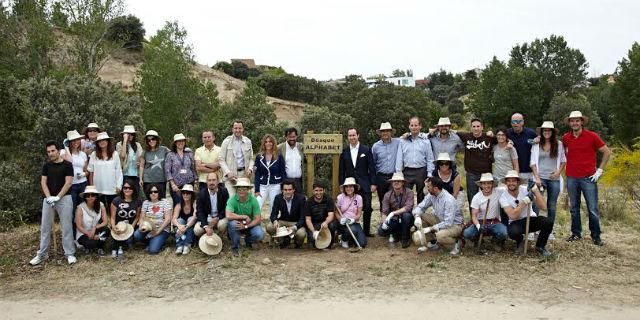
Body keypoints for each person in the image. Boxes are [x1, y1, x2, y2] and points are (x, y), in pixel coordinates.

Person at [562, 111, 611, 246]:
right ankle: (576, 233)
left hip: (588, 178)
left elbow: (607, 152)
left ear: (582, 122)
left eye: (577, 121)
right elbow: (561, 152)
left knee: (593, 208)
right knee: (574, 208)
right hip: (572, 177)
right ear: (569, 123)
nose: (575, 123)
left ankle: (596, 236)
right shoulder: (566, 138)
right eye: (572, 121)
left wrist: (599, 170)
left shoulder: (592, 136)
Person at [29, 141, 76, 266]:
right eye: (48, 151)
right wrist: (49, 197)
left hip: (65, 199)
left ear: (58, 150)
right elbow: (43, 182)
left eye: (53, 151)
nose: (50, 153)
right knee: (45, 228)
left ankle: (69, 254)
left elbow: (69, 183)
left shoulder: (67, 165)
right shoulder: (46, 166)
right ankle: (42, 255)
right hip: (48, 200)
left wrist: (58, 197)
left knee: (66, 227)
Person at [500, 170, 553, 256]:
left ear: (518, 182)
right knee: (512, 232)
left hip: (530, 218)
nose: (511, 183)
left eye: (513, 181)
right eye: (509, 181)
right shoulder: (503, 197)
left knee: (548, 222)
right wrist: (524, 202)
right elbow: (513, 216)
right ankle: (519, 241)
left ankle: (540, 246)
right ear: (506, 183)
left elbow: (543, 207)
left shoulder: (526, 190)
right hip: (515, 222)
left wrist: (535, 191)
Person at [412, 176, 464, 255]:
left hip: (455, 225)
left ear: (435, 189)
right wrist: (417, 216)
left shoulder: (448, 200)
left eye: (428, 187)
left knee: (439, 236)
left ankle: (457, 242)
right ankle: (433, 242)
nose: (427, 189)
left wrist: (431, 228)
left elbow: (448, 223)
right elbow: (421, 206)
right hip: (441, 220)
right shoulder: (431, 195)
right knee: (421, 215)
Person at [339, 127, 376, 237]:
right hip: (350, 185)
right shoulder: (344, 152)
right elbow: (342, 170)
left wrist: (373, 183)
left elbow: (372, 168)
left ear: (358, 135)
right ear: (348, 137)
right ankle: (352, 231)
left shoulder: (366, 150)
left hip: (365, 184)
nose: (352, 137)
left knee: (368, 207)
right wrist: (341, 184)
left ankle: (366, 231)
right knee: (351, 208)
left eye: (354, 135)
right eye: (350, 135)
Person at [530, 121, 566, 231]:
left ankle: (549, 229)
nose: (546, 132)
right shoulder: (536, 144)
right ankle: (533, 229)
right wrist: (536, 177)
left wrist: (558, 172)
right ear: (542, 132)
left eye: (549, 130)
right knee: (536, 203)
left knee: (551, 205)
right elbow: (532, 162)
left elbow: (563, 160)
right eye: (544, 130)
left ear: (552, 132)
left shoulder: (558, 144)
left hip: (553, 179)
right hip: (540, 178)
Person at [457, 118, 499, 209]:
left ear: (482, 127)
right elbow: (452, 131)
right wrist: (435, 130)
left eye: (478, 126)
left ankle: (490, 218)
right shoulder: (466, 136)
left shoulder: (489, 138)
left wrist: (493, 133)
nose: (476, 128)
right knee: (472, 197)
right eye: (474, 126)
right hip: (471, 173)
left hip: (486, 174)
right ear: (471, 128)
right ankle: (474, 220)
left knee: (489, 197)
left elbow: (503, 138)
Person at [395, 116, 435, 204]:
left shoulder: (425, 141)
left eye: (416, 125)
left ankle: (419, 215)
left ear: (420, 126)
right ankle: (407, 215)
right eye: (412, 125)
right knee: (406, 194)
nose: (414, 127)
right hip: (407, 171)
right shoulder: (403, 141)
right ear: (409, 126)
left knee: (421, 194)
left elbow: (430, 158)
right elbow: (399, 157)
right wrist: (398, 172)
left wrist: (429, 173)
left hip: (421, 170)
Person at [462, 173, 508, 248]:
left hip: (494, 222)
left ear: (492, 184)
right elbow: (474, 216)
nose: (486, 186)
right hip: (480, 222)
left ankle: (495, 241)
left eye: (489, 183)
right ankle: (478, 240)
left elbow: (510, 187)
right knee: (467, 233)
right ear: (481, 185)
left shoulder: (499, 192)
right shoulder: (476, 197)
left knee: (504, 232)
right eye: (484, 184)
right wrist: (478, 226)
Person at [225, 177, 264, 255]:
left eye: (244, 189)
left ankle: (248, 240)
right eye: (239, 189)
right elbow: (228, 215)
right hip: (238, 224)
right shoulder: (232, 199)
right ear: (236, 190)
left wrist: (246, 226)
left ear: (248, 190)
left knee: (259, 234)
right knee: (232, 223)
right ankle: (235, 247)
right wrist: (244, 216)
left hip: (249, 225)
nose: (241, 191)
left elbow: (258, 219)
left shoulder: (253, 200)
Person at [377, 172, 414, 248]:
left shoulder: (409, 192)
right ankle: (396, 234)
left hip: (407, 219)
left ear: (403, 183)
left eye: (399, 181)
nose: (396, 182)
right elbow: (384, 211)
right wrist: (384, 221)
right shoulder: (387, 195)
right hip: (394, 220)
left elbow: (408, 207)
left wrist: (394, 213)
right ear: (391, 183)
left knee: (406, 215)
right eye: (394, 181)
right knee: (381, 231)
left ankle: (405, 238)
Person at [134, 183, 172, 254]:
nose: (153, 193)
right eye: (151, 192)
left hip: (161, 230)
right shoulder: (146, 202)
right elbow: (142, 217)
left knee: (153, 251)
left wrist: (158, 232)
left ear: (159, 192)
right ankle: (152, 241)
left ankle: (159, 243)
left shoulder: (165, 202)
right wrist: (141, 227)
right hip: (148, 228)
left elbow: (168, 219)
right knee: (136, 235)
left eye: (155, 191)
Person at [267, 180, 307, 248]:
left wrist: (295, 227)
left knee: (301, 234)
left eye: (290, 189)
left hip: (296, 222)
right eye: (285, 190)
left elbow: (303, 218)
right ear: (282, 190)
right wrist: (275, 221)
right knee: (270, 227)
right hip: (283, 221)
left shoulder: (301, 199)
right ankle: (282, 240)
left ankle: (296, 242)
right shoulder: (278, 198)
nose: (287, 192)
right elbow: (273, 214)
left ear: (294, 190)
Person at [219, 120, 254, 196]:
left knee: (245, 199)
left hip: (244, 176)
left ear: (243, 129)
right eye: (235, 128)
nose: (238, 130)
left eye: (240, 128)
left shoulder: (248, 141)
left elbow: (251, 158)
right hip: (231, 176)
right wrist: (228, 173)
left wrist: (250, 169)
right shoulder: (226, 142)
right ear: (232, 129)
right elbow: (221, 159)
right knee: (232, 199)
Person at [88, 132, 122, 209]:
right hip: (98, 187)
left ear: (108, 141)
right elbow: (91, 172)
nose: (102, 142)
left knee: (113, 210)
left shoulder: (115, 154)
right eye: (100, 141)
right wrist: (92, 187)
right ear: (97, 143)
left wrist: (119, 185)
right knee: (99, 210)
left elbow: (118, 171)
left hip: (112, 187)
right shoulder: (94, 154)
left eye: (104, 140)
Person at [371, 122, 401, 210]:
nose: (385, 133)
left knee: (394, 199)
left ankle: (393, 220)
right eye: (383, 131)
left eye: (387, 131)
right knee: (382, 199)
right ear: (380, 133)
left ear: (391, 132)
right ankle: (383, 220)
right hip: (381, 176)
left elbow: (410, 136)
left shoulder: (398, 142)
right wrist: (374, 180)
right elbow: (373, 163)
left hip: (394, 176)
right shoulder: (376, 146)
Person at [254, 133, 286, 212]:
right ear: (264, 143)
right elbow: (257, 174)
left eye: (270, 141)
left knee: (274, 206)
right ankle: (255, 222)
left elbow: (283, 173)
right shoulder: (259, 157)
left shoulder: (279, 156)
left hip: (275, 185)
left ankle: (274, 223)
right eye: (266, 142)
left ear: (273, 143)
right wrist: (257, 190)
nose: (268, 143)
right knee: (257, 204)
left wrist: (283, 188)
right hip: (262, 185)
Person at [109, 179, 141, 258]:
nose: (127, 190)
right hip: (119, 226)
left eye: (130, 188)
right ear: (122, 189)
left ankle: (129, 243)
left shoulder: (138, 201)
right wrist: (114, 227)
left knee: (129, 240)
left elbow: (137, 217)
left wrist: (131, 228)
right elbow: (112, 218)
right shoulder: (116, 200)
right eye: (125, 188)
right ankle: (115, 249)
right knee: (118, 237)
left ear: (133, 189)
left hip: (131, 225)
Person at [61, 130, 88, 221]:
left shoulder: (83, 154)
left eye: (77, 140)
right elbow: (70, 161)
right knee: (72, 208)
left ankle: (82, 231)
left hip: (82, 184)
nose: (76, 142)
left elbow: (87, 170)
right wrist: (66, 147)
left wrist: (84, 174)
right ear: (69, 142)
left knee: (83, 208)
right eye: (73, 140)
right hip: (71, 185)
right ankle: (73, 231)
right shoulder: (63, 152)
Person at [74, 185, 109, 256]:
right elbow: (79, 226)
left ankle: (100, 247)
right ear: (85, 197)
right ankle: (90, 246)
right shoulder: (80, 208)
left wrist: (95, 228)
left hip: (96, 230)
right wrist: (89, 234)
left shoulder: (101, 205)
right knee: (91, 243)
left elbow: (105, 221)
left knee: (107, 230)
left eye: (93, 195)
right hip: (83, 233)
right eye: (87, 195)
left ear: (96, 196)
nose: (90, 197)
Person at [335, 177, 367, 249]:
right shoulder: (340, 197)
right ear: (344, 188)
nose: (349, 188)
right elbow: (336, 213)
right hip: (343, 223)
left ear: (354, 187)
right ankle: (344, 239)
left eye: (351, 186)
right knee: (353, 230)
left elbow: (359, 214)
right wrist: (340, 220)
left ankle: (351, 240)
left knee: (362, 243)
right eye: (346, 186)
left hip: (354, 222)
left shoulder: (359, 198)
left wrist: (352, 219)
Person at [165, 133, 197, 206]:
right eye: (178, 141)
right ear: (175, 143)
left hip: (189, 183)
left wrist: (195, 181)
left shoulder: (189, 153)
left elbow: (193, 168)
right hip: (176, 185)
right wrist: (172, 184)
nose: (181, 143)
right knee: (178, 204)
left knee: (189, 204)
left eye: (182, 141)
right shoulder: (170, 155)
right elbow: (167, 171)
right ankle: (177, 217)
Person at [507, 113, 539, 184]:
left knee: (529, 194)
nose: (516, 124)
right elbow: (497, 139)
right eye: (513, 122)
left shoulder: (531, 133)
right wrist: (489, 133)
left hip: (529, 171)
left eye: (518, 121)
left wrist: (539, 139)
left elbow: (542, 141)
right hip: (513, 172)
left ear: (523, 122)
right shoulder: (507, 133)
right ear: (511, 123)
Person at [304, 180, 337, 249]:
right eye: (316, 190)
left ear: (324, 190)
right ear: (313, 191)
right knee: (312, 238)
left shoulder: (329, 199)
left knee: (332, 225)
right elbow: (308, 220)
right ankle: (316, 243)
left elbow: (331, 215)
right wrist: (314, 232)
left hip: (325, 223)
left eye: (320, 190)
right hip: (314, 224)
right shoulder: (308, 202)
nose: (318, 193)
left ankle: (330, 244)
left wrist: (326, 222)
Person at [196, 173, 229, 239]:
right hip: (207, 218)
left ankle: (218, 238)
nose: (211, 182)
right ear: (206, 182)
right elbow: (200, 211)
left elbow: (226, 207)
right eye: (209, 180)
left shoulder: (224, 191)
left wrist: (217, 218)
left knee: (223, 225)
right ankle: (207, 238)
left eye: (214, 180)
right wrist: (205, 226)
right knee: (197, 230)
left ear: (218, 181)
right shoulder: (201, 193)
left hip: (219, 218)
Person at [140, 130, 170, 199]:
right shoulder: (145, 151)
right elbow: (141, 166)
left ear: (157, 140)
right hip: (148, 179)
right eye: (149, 140)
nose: (151, 141)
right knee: (149, 199)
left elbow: (173, 154)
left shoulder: (164, 149)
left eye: (153, 139)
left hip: (161, 179)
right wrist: (141, 179)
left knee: (161, 199)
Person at [172, 184, 197, 255]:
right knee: (179, 221)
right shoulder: (179, 205)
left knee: (190, 219)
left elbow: (195, 217)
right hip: (183, 225)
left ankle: (187, 244)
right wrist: (179, 226)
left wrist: (186, 226)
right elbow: (174, 219)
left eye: (188, 193)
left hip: (191, 225)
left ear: (191, 194)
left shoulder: (195, 203)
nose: (185, 195)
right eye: (184, 193)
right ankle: (179, 245)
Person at [278, 127, 304, 194]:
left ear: (296, 136)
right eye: (290, 137)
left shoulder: (301, 147)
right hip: (286, 181)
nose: (292, 139)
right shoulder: (280, 148)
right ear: (286, 137)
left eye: (294, 136)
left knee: (299, 202)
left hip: (298, 181)